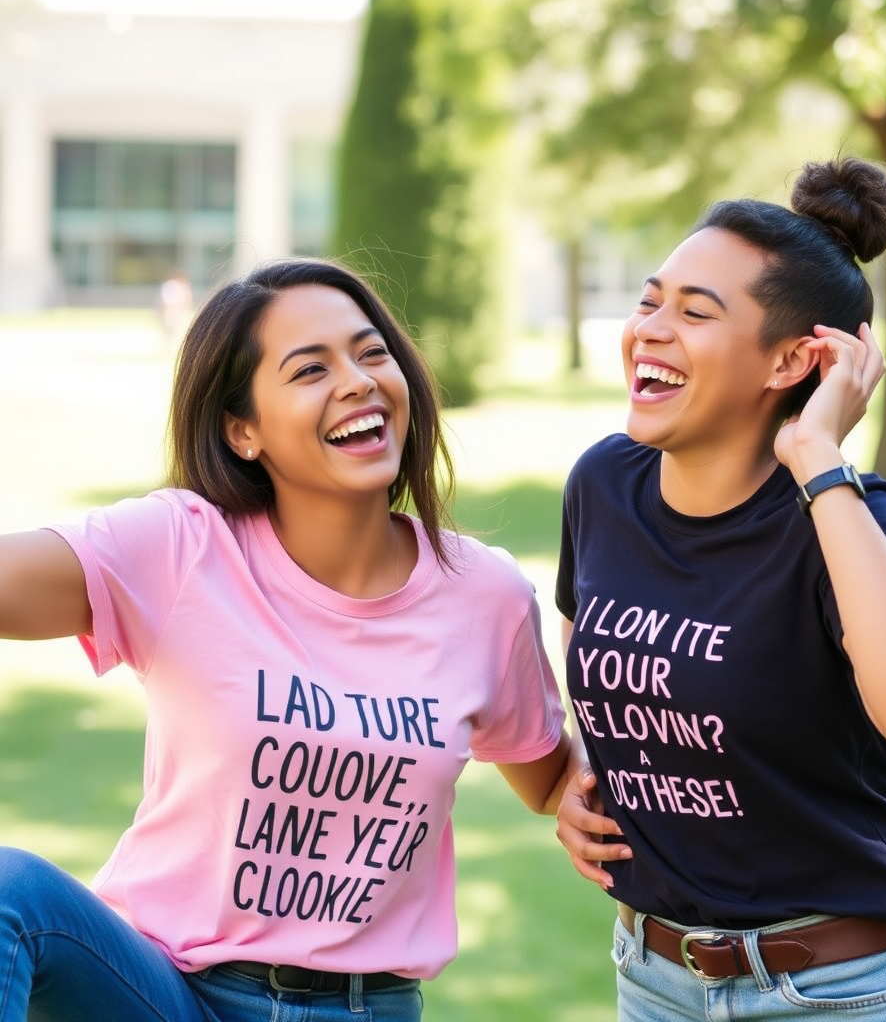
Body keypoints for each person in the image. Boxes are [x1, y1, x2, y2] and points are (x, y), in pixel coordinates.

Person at [0, 258, 574, 1022]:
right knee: (12, 895)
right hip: (165, 992)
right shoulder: (182, 548)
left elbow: (553, 780)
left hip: (365, 1009)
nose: (359, 380)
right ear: (244, 431)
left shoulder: (486, 596)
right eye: (311, 369)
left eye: (372, 353)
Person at [553, 156, 886, 1022]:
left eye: (694, 311)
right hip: (654, 979)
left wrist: (819, 462)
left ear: (793, 359)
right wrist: (583, 774)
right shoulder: (604, 484)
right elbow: (599, 662)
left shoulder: (853, 521)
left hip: (841, 992)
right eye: (650, 301)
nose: (650, 330)